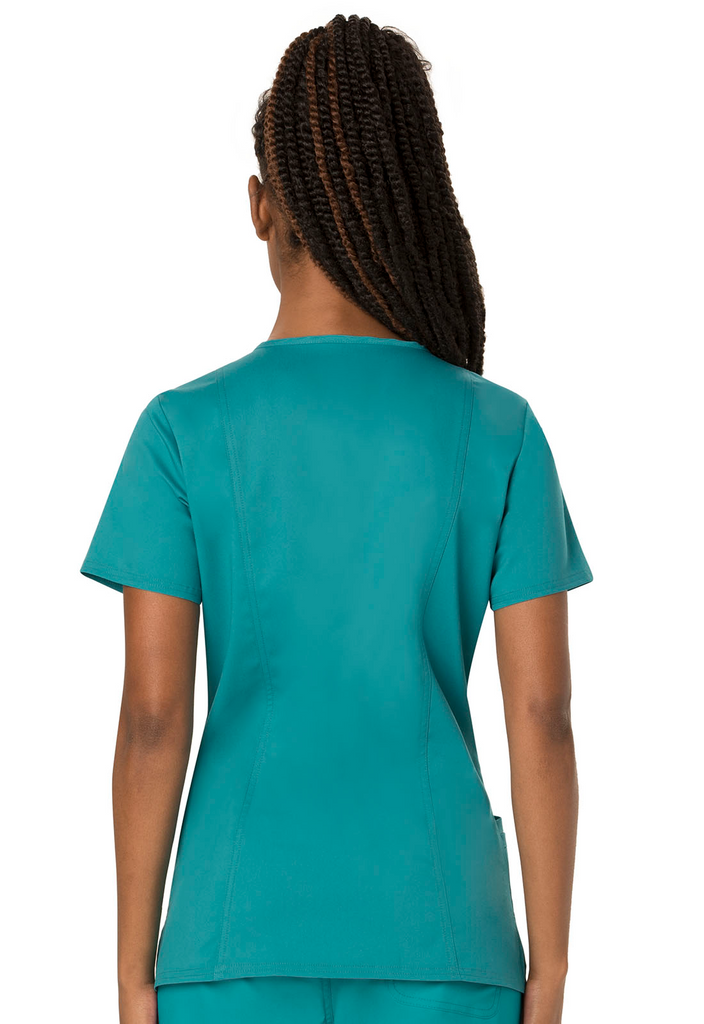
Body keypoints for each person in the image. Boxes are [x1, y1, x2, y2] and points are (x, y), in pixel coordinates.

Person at [80, 15, 594, 1024]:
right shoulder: (498, 430)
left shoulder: (182, 431)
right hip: (450, 947)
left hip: (226, 948)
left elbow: (152, 719)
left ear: (259, 208)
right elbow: (541, 715)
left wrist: (135, 975)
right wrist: (550, 971)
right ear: (416, 202)